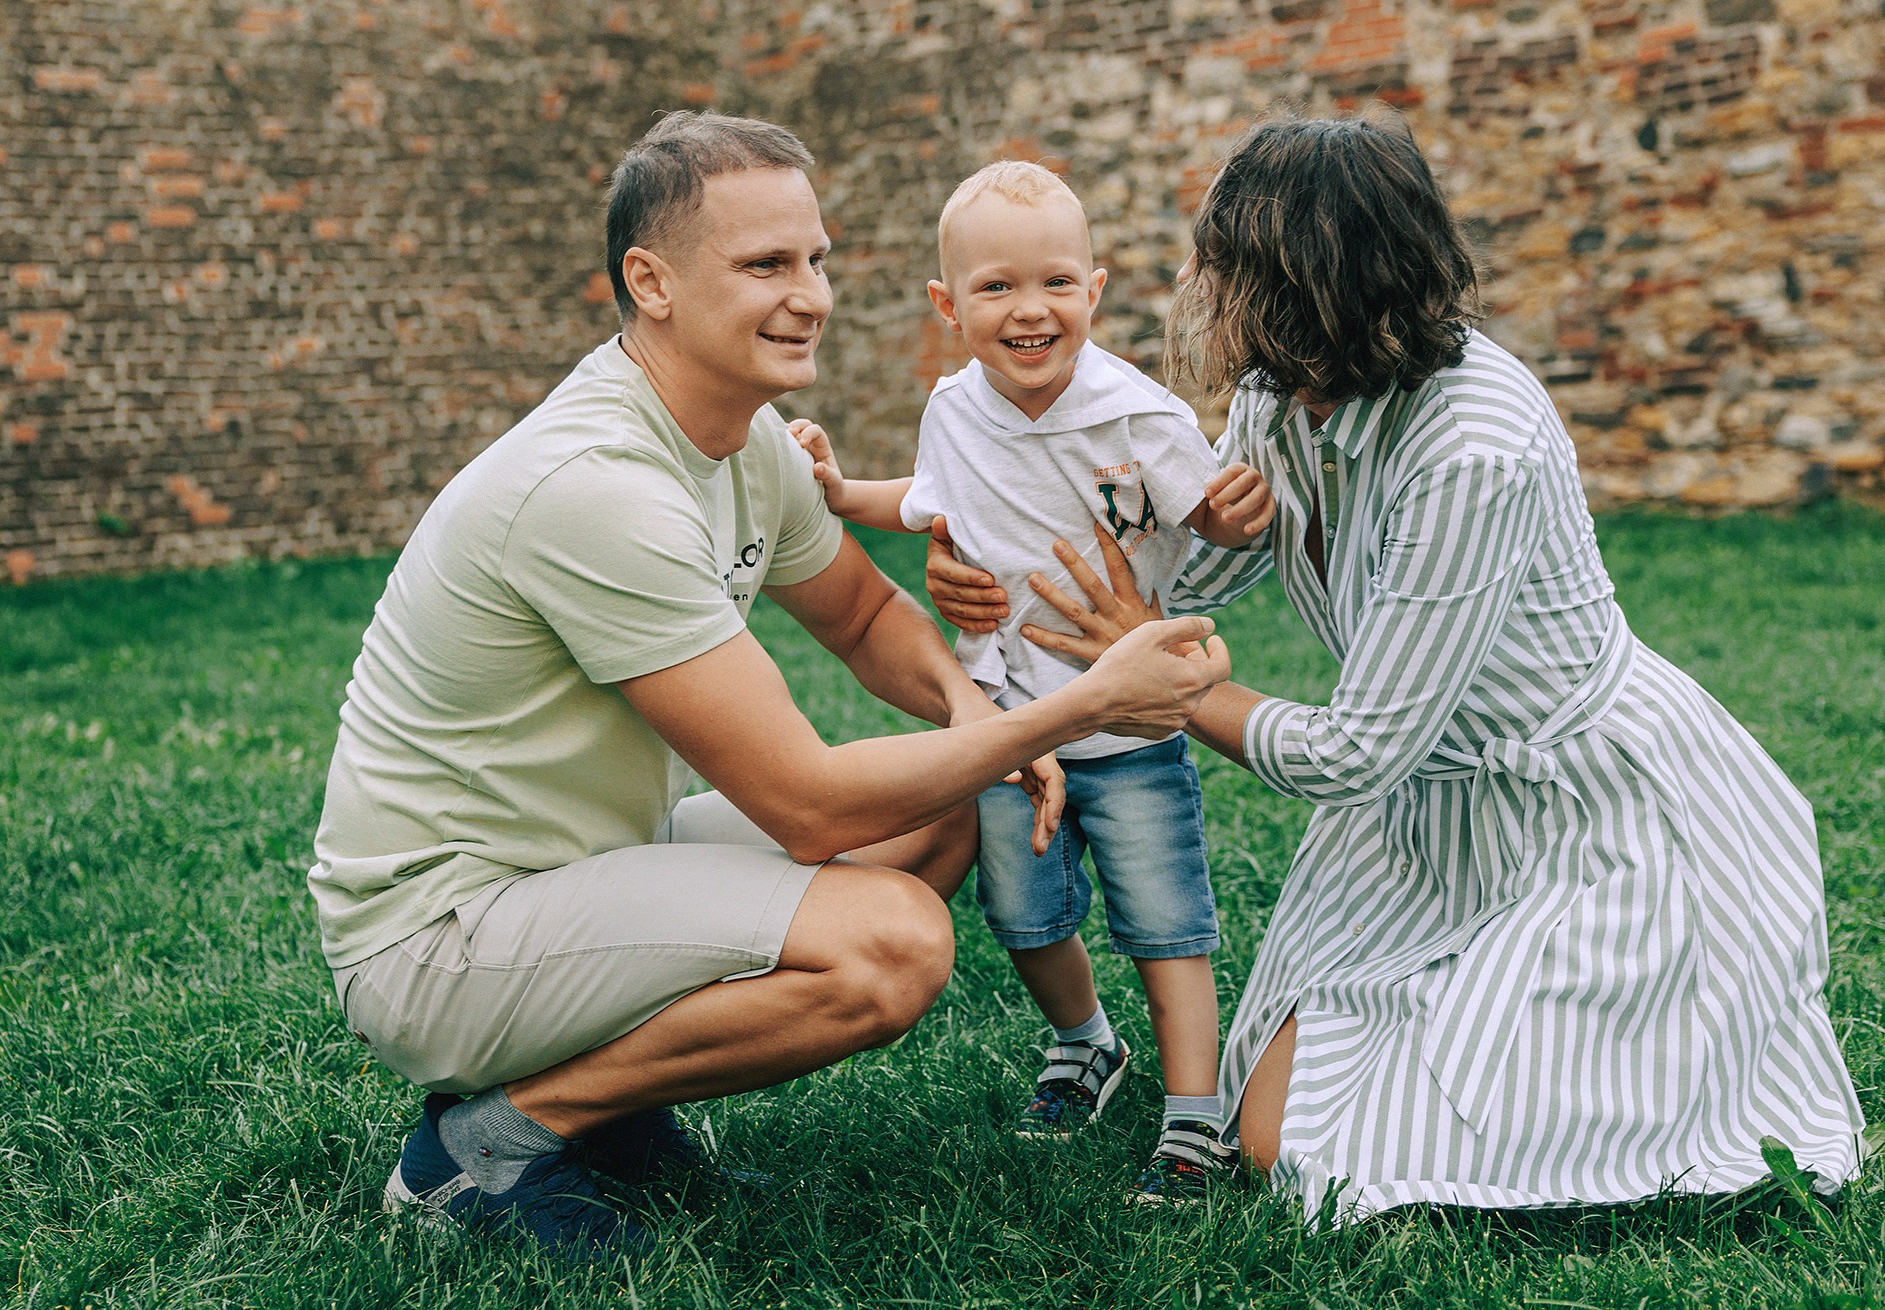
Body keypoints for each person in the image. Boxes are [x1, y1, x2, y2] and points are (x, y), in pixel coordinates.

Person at [305, 111, 1230, 1260]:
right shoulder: (597, 484)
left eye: (816, 259)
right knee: (887, 945)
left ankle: (609, 1111)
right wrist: (1074, 706)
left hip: (585, 869)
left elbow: (858, 610)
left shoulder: (740, 438)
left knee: (947, 800)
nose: (811, 295)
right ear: (650, 281)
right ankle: (486, 1145)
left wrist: (975, 707)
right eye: (764, 266)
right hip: (438, 936)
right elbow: (809, 804)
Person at [927, 109, 1865, 1221]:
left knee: (1315, 1147)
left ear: (1302, 282)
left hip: (1587, 823)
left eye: (1220, 261)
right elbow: (1200, 581)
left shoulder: (1473, 443)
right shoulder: (1281, 395)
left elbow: (1357, 749)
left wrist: (1178, 694)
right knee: (1266, 1121)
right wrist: (996, 569)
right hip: (1422, 817)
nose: (1195, 281)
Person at [790, 160, 1274, 1203]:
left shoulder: (1134, 413)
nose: (1028, 310)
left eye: (1055, 282)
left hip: (1132, 722)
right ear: (946, 305)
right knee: (1027, 915)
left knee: (1165, 921)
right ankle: (1083, 1042)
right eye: (995, 287)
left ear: (1093, 291)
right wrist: (836, 494)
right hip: (1015, 728)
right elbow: (922, 501)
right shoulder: (952, 412)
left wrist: (1231, 516)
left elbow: (1206, 513)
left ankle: (1193, 1115)